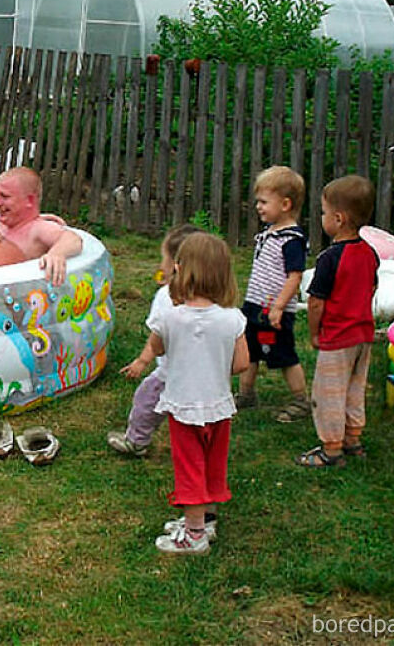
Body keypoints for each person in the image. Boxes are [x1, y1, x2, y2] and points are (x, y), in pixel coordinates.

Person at [145, 232, 249, 554]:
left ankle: (194, 535)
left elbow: (158, 346)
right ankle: (207, 519)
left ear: (180, 269)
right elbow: (242, 363)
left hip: (184, 407)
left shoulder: (170, 316)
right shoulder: (233, 318)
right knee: (211, 464)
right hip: (219, 406)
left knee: (189, 467)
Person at [295, 175, 378, 468]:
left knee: (328, 392)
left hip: (337, 337)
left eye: (323, 212)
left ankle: (331, 449)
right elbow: (372, 287)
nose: (321, 218)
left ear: (339, 219)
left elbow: (316, 302)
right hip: (363, 336)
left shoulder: (329, 258)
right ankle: (353, 439)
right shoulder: (370, 253)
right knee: (355, 387)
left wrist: (315, 333)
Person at [106, 223, 203, 457]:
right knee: (198, 417)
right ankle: (202, 448)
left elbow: (157, 338)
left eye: (164, 259)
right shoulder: (214, 297)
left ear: (176, 267)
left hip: (170, 375)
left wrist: (142, 361)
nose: (160, 265)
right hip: (205, 377)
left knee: (146, 401)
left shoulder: (166, 297)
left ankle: (137, 441)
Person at [235, 166, 311, 422]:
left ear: (286, 204)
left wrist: (278, 307)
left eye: (264, 201)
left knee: (282, 354)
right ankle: (245, 394)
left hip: (273, 312)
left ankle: (301, 400)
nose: (258, 206)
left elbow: (295, 276)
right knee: (249, 350)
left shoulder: (291, 240)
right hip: (254, 306)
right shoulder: (269, 234)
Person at [0, 166, 82, 287]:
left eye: (5, 197)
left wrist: (57, 253)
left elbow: (72, 239)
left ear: (29, 201)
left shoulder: (37, 229)